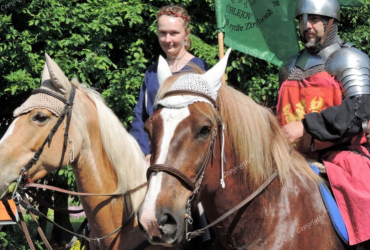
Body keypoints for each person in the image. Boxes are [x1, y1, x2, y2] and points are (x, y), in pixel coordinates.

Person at [276, 0, 370, 248]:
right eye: (303, 19)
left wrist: (306, 126)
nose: (307, 25)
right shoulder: (289, 66)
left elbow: (359, 112)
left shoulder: (349, 58)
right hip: (288, 157)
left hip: (338, 155)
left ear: (331, 22)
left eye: (315, 19)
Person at [130, 5, 208, 163]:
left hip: (184, 160)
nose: (168, 40)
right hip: (149, 158)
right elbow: (141, 116)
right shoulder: (152, 72)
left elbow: (203, 124)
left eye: (174, 33)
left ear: (186, 34)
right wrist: (142, 152)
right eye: (163, 33)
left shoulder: (200, 71)